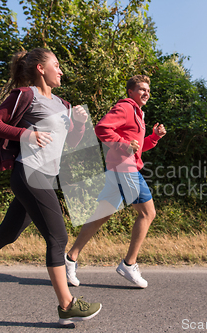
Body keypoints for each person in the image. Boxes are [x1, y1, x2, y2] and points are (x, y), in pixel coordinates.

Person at [0, 48, 101, 325]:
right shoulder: (26, 95)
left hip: (45, 176)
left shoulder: (63, 104)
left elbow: (68, 146)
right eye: (56, 65)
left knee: (7, 233)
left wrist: (78, 125)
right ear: (40, 68)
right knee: (58, 238)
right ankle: (67, 305)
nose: (61, 70)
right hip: (29, 173)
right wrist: (26, 133)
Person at [65, 75, 166, 289]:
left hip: (120, 167)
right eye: (141, 89)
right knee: (148, 213)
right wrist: (122, 145)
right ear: (130, 92)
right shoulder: (126, 107)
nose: (146, 93)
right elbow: (102, 129)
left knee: (102, 214)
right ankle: (129, 264)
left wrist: (154, 137)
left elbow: (136, 147)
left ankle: (70, 258)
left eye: (148, 89)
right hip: (124, 168)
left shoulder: (138, 113)